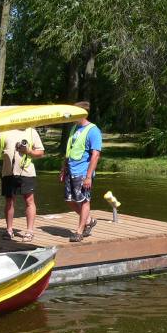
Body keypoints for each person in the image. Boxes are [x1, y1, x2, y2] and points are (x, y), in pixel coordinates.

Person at [0, 129, 45, 241]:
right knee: (9, 200)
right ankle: (9, 230)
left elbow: (40, 152)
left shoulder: (31, 131)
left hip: (27, 172)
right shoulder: (2, 132)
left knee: (29, 200)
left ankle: (29, 231)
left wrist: (28, 151)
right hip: (8, 172)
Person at [60, 102, 102, 242]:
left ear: (83, 114)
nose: (72, 117)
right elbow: (69, 150)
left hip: (83, 172)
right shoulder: (74, 129)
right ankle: (89, 221)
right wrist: (63, 168)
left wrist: (89, 176)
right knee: (69, 200)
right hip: (70, 171)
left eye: (75, 114)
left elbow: (95, 155)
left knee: (84, 201)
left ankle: (79, 231)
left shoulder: (93, 130)